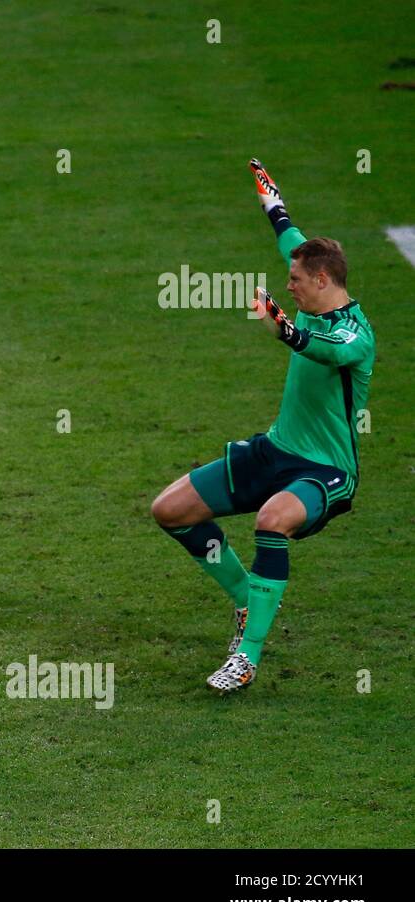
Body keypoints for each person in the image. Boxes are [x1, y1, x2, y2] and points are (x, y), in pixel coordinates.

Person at [150, 160, 375, 693]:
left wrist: (285, 332)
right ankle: (247, 601)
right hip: (275, 450)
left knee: (273, 520)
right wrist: (273, 205)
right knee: (170, 511)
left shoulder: (355, 334)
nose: (288, 285)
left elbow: (325, 350)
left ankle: (246, 657)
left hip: (325, 471)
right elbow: (289, 239)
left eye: (295, 280)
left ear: (322, 280)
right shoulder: (312, 277)